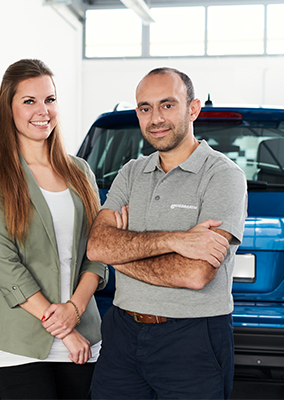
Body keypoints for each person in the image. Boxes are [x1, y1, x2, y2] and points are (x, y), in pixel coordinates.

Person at [88, 67, 247, 399]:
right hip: (121, 332)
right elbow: (97, 246)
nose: (155, 118)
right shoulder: (131, 172)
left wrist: (121, 255)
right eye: (145, 108)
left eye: (167, 105)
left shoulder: (222, 175)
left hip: (192, 338)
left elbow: (195, 273)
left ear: (193, 108)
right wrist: (176, 239)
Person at [0, 58, 108, 399]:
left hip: (83, 333)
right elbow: (4, 263)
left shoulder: (80, 172)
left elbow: (97, 252)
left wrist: (74, 311)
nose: (42, 110)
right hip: (20, 342)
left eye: (50, 99)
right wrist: (64, 330)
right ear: (9, 108)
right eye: (29, 101)